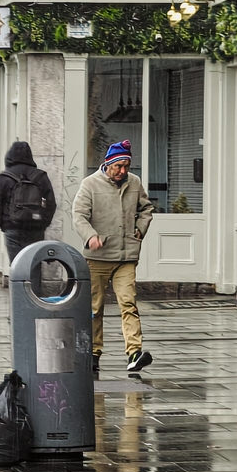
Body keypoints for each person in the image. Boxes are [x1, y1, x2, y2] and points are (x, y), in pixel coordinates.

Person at [73, 139, 155, 376]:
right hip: (98, 256)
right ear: (107, 164)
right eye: (118, 166)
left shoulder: (135, 183)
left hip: (126, 256)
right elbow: (79, 215)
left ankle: (134, 353)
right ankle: (93, 353)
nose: (122, 171)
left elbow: (146, 208)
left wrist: (140, 229)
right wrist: (90, 236)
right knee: (94, 308)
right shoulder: (90, 184)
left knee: (128, 304)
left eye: (126, 166)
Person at [0, 140, 57, 265]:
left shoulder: (4, 177)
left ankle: (18, 285)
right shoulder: (40, 176)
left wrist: (4, 225)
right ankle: (35, 285)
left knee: (17, 266)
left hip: (12, 228)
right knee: (34, 264)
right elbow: (51, 203)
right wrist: (43, 223)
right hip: (35, 229)